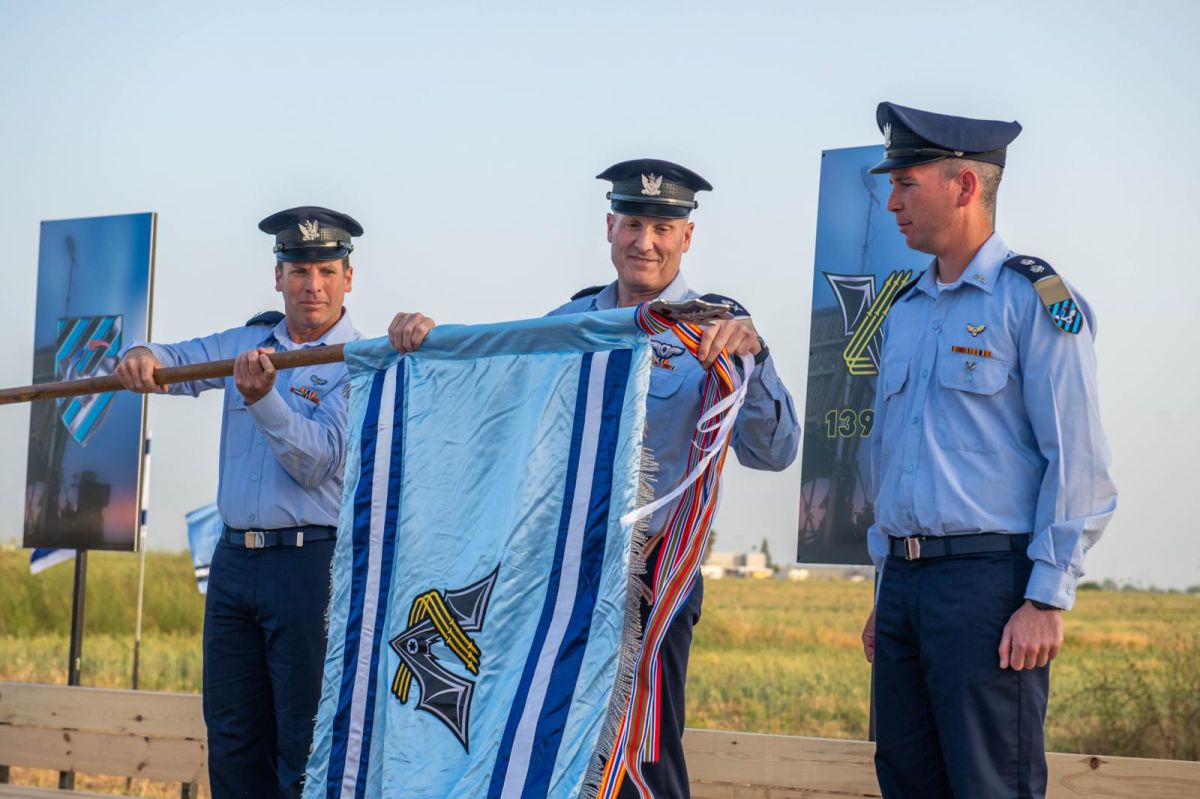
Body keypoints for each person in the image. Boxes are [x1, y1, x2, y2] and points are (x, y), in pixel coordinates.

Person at [389, 158, 800, 797]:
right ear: (609, 227)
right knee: (548, 741)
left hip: (651, 577)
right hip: (560, 576)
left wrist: (757, 357)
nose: (646, 242)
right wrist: (429, 341)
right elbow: (497, 390)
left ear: (687, 237)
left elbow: (774, 454)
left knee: (642, 754)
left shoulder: (716, 326)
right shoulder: (571, 323)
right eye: (633, 223)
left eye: (664, 228)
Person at [858, 103, 1118, 798]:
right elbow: (888, 457)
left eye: (907, 183)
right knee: (907, 782)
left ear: (965, 186)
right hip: (905, 587)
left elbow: (1078, 459)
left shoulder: (1034, 300)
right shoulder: (905, 309)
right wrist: (885, 588)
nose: (892, 201)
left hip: (987, 590)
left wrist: (1045, 598)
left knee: (990, 786)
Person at [115, 206, 364, 798]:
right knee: (229, 734)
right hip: (233, 566)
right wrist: (144, 355)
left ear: (349, 278)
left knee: (300, 738)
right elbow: (177, 360)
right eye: (299, 270)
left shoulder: (361, 359)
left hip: (309, 565)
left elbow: (319, 461)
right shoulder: (247, 342)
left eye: (327, 271)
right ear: (277, 276)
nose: (313, 286)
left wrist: (265, 399)